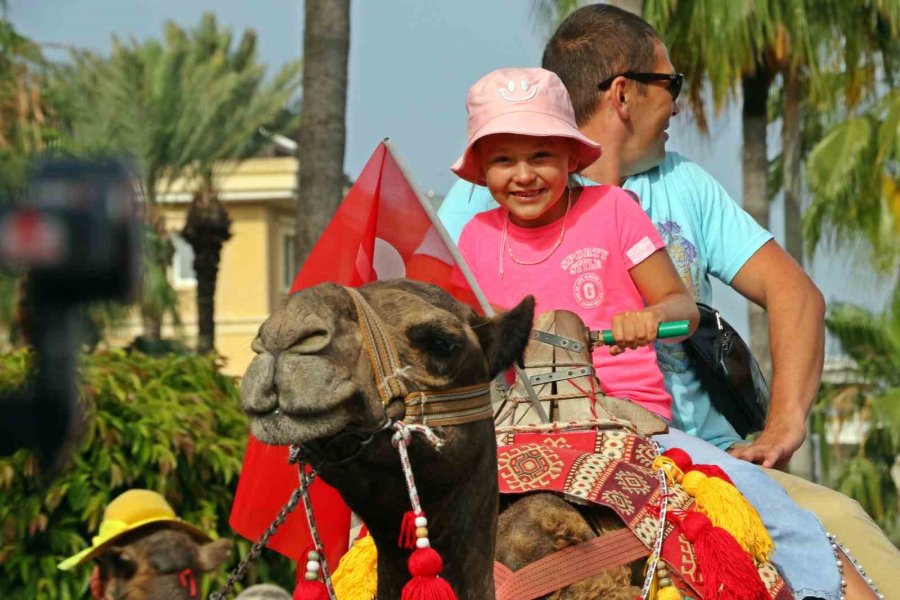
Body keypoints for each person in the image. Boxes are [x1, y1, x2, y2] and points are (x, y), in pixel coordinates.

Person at [439, 4, 899, 592]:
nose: (678, 104)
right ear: (625, 93)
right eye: (671, 84)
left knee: (830, 528)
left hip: (677, 440)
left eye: (539, 156)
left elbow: (794, 295)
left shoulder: (669, 189)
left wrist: (782, 425)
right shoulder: (475, 213)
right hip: (523, 431)